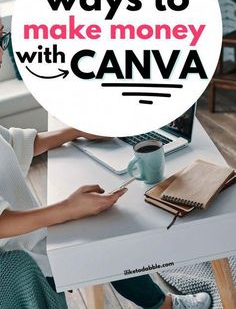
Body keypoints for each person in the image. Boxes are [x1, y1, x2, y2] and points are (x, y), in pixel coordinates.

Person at [0, 19, 211, 308]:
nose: (3, 51)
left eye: (2, 36)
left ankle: (162, 304)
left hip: (25, 237)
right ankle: (165, 304)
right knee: (102, 235)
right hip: (15, 255)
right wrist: (66, 210)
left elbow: (12, 142)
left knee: (100, 223)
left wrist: (79, 130)